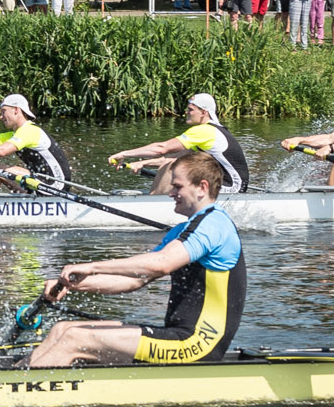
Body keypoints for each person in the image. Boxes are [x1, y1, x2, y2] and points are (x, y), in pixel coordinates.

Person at [29, 154, 246, 367]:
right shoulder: (182, 231)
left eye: (177, 186)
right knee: (62, 329)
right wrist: (71, 284)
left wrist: (92, 266)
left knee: (74, 338)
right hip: (178, 336)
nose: (171, 192)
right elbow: (134, 280)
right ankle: (14, 381)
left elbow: (162, 263)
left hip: (199, 344)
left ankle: (21, 394)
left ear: (202, 188)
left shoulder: (214, 224)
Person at [109, 92, 252, 194]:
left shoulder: (205, 131)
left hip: (233, 188)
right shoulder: (209, 132)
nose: (186, 112)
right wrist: (142, 163)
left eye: (191, 110)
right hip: (220, 184)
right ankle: (155, 198)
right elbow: (173, 158)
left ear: (204, 112)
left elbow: (162, 148)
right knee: (172, 163)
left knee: (172, 166)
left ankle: (154, 201)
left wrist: (124, 153)